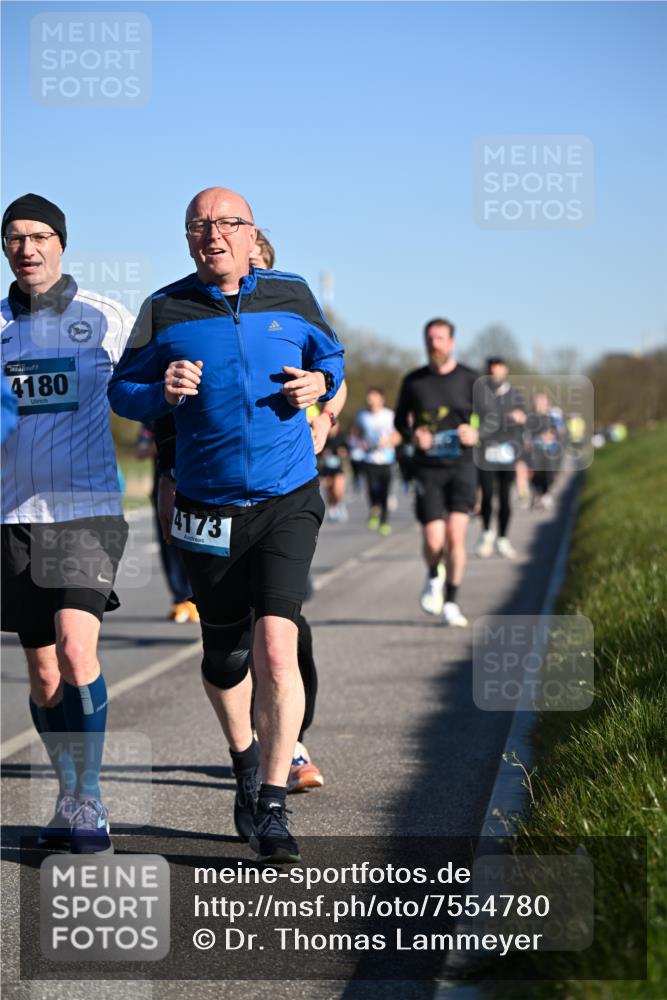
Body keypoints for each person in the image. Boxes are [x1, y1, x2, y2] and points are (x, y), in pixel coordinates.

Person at [108, 187, 344, 862]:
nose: (213, 234)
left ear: (250, 233)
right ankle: (243, 760)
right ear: (188, 239)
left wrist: (317, 387)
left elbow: (331, 357)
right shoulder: (165, 308)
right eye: (200, 226)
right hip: (206, 506)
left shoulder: (291, 294)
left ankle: (270, 803)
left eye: (227, 224)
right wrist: (161, 391)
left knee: (276, 646)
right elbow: (122, 389)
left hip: (286, 496)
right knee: (225, 655)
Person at [1, 194, 133, 853]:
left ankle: (90, 801)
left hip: (85, 513)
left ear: (62, 243)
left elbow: (148, 389)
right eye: (15, 238)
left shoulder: (107, 319)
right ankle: (67, 793)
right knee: (45, 675)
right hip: (11, 518)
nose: (28, 248)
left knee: (77, 649)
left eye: (40, 236)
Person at [395, 318, 478, 627]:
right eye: (430, 338)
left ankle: (452, 602)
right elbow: (400, 423)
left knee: (456, 536)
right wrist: (413, 436)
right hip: (427, 469)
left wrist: (476, 433)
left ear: (452, 342)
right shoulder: (414, 381)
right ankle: (433, 574)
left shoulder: (471, 379)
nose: (434, 343)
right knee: (433, 540)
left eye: (440, 338)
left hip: (462, 466)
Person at [136, 423, 199, 623]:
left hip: (195, 484)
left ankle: (196, 598)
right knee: (168, 543)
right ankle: (180, 598)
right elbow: (141, 450)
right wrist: (170, 442)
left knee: (195, 541)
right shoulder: (152, 419)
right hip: (165, 488)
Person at [474, 357, 527, 559]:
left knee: (505, 498)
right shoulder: (480, 395)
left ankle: (503, 538)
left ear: (505, 371)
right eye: (491, 370)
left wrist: (519, 418)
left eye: (498, 370)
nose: (495, 373)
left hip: (508, 452)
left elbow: (524, 418)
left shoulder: (515, 395)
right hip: (486, 451)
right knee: (487, 495)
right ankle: (487, 533)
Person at [353, 387, 400, 536]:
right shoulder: (362, 415)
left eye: (373, 397)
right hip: (369, 459)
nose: (370, 400)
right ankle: (374, 510)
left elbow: (398, 436)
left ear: (381, 399)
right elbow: (357, 433)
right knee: (372, 489)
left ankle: (384, 521)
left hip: (386, 459)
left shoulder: (389, 415)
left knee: (385, 492)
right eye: (368, 397)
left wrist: (387, 441)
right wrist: (359, 442)